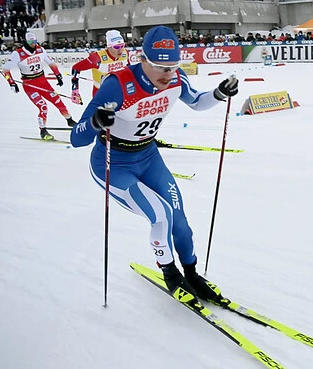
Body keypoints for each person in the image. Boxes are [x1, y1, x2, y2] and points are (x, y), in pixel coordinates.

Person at [69, 25, 240, 300]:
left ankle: (192, 274)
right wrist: (95, 121)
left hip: (148, 157)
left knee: (180, 222)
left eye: (173, 66)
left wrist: (219, 93)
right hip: (113, 164)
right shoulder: (118, 85)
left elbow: (196, 102)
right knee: (161, 214)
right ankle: (171, 274)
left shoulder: (175, 79)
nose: (168, 75)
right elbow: (76, 138)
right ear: (143, 60)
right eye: (161, 68)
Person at [3, 31, 76, 140]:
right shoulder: (17, 54)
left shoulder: (40, 50)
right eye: (30, 42)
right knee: (43, 106)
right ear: (25, 42)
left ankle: (69, 120)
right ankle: (43, 130)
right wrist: (11, 83)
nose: (33, 44)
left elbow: (51, 63)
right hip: (30, 86)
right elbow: (5, 69)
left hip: (43, 82)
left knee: (57, 100)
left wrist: (58, 75)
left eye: (34, 41)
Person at [71, 30, 130, 104]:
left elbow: (128, 70)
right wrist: (75, 91)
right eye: (116, 46)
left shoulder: (125, 54)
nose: (120, 49)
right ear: (109, 47)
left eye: (122, 46)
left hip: (119, 91)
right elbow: (76, 68)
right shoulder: (97, 58)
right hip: (101, 93)